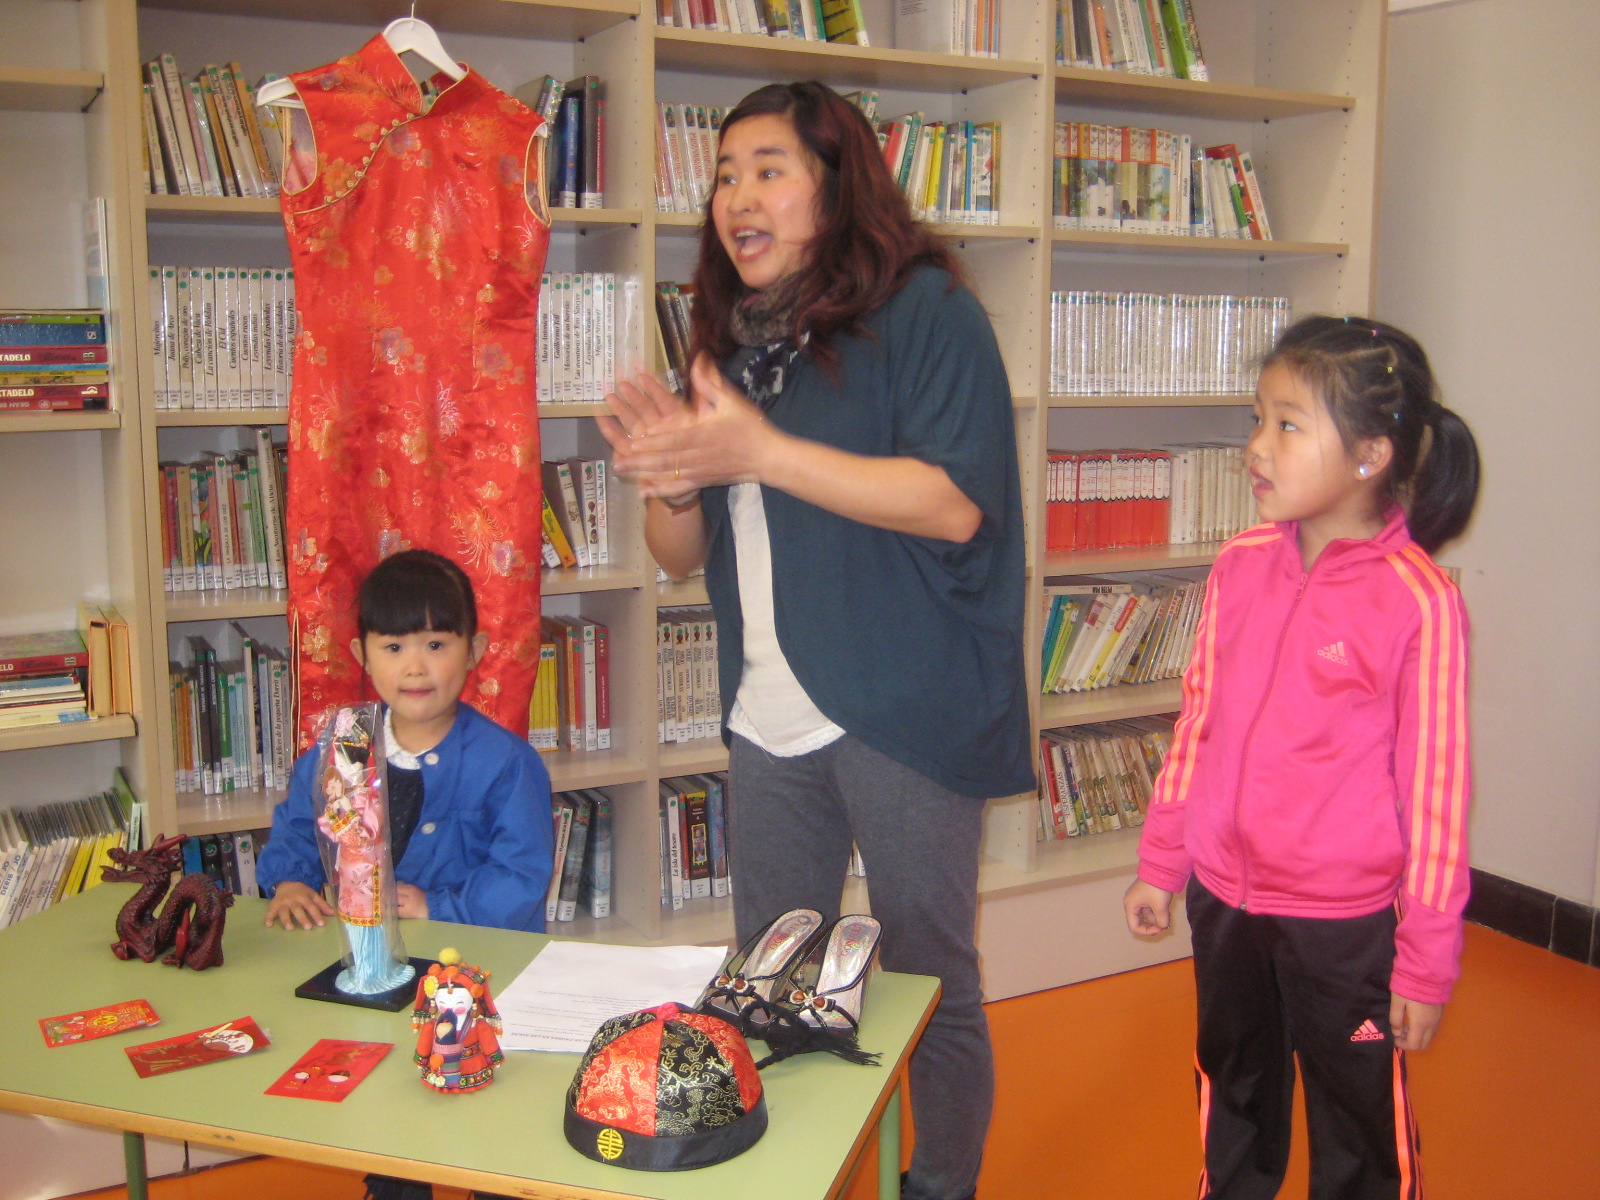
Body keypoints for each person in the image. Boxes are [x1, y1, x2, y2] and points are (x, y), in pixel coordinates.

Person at [601, 82, 1032, 1200]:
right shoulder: (732, 340)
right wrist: (670, 480)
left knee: (929, 976)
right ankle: (786, 1178)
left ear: (837, 188)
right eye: (724, 176)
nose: (736, 196)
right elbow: (680, 554)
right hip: (767, 707)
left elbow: (954, 503)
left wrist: (756, 452)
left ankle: (939, 1185)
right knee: (769, 981)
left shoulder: (928, 311)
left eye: (768, 169)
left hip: (902, 702)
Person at [1124, 315, 1481, 1199]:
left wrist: (1425, 961)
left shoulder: (1419, 603)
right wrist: (1163, 861)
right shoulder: (1240, 565)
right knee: (1234, 1089)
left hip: (1342, 927)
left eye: (1287, 425)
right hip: (1226, 899)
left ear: (1369, 456)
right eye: (1258, 418)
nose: (1257, 446)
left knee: (1356, 1119)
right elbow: (1199, 725)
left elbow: (1436, 797)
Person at [257, 549, 553, 934]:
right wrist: (291, 882)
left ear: (473, 651)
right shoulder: (349, 740)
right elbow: (301, 823)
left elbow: (520, 873)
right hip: (365, 940)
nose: (415, 668)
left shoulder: (507, 762)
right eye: (394, 648)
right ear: (363, 656)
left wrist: (437, 906)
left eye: (435, 646)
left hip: (470, 948)